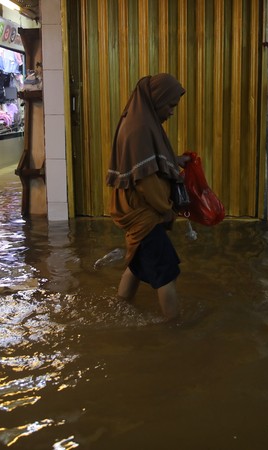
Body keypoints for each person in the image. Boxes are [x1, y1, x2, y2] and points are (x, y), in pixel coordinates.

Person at [105, 73, 190, 321]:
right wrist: (165, 209)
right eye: (170, 105)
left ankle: (119, 309)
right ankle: (175, 329)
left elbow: (148, 162)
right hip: (145, 212)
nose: (172, 112)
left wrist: (175, 162)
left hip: (138, 210)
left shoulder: (140, 122)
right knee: (166, 273)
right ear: (157, 100)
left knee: (137, 263)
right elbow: (145, 180)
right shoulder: (140, 129)